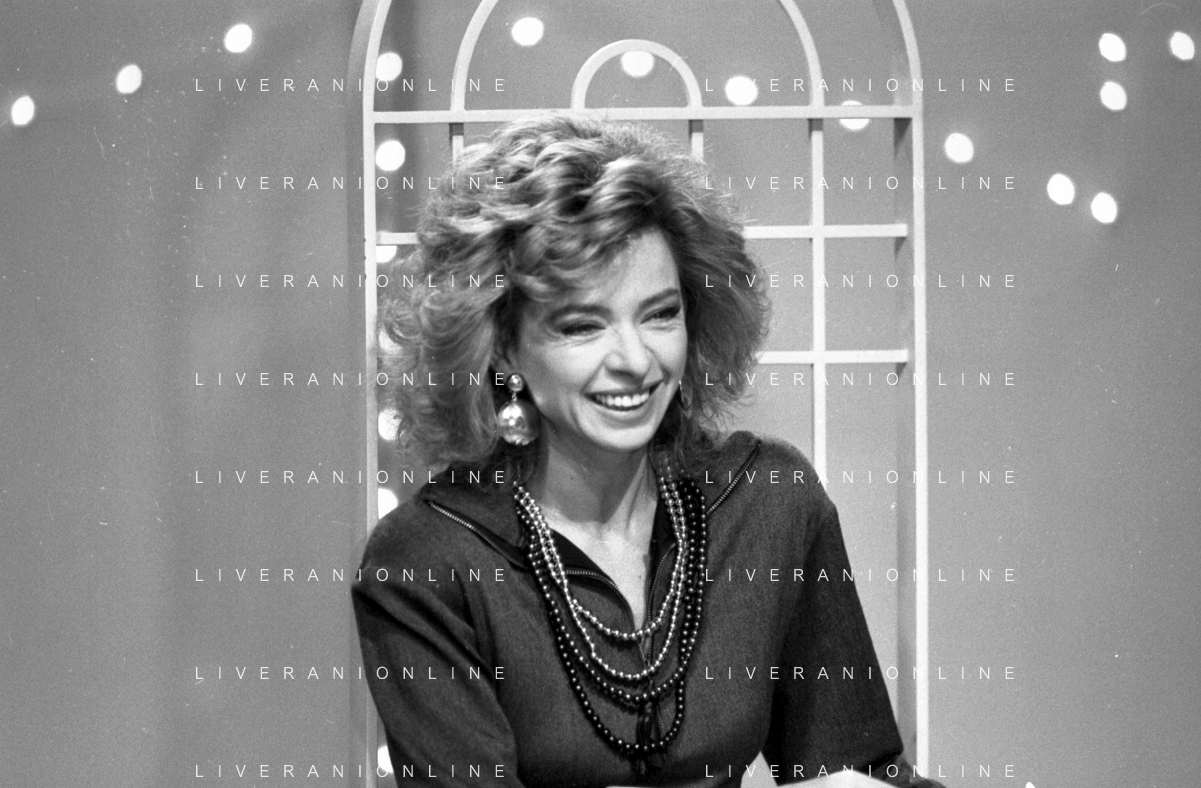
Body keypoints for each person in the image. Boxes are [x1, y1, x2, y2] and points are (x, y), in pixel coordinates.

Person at [353, 114, 944, 788]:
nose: (634, 360)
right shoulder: (427, 562)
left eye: (660, 314)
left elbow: (858, 774)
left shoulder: (770, 503)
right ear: (502, 346)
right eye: (582, 325)